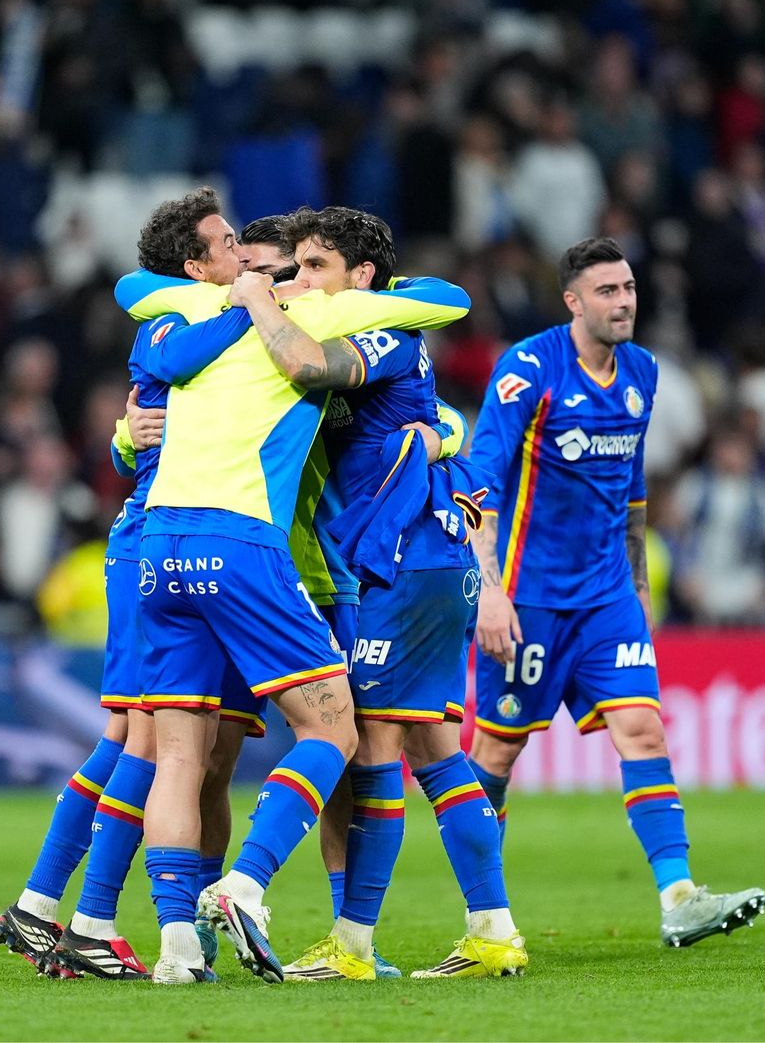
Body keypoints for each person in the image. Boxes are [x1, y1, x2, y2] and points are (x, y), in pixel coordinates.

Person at [125, 224, 470, 984]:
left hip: (158, 547)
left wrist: (231, 294)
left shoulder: (186, 317)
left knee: (178, 755)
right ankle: (246, 883)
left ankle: (176, 946)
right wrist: (275, 298)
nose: (304, 279)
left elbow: (133, 289)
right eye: (297, 269)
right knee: (336, 727)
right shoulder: (317, 314)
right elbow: (447, 302)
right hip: (242, 544)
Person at [467, 236, 765, 948]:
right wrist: (486, 591)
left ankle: (679, 896)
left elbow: (631, 483)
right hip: (527, 599)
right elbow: (476, 487)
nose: (624, 301)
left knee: (644, 729)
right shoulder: (527, 372)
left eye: (628, 288)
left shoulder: (644, 372)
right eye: (607, 291)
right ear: (572, 302)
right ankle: (483, 913)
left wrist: (634, 584)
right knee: (496, 758)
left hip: (606, 598)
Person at [253, 207, 526, 981]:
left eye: (314, 266)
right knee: (436, 748)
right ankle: (493, 928)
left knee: (372, 747)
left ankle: (353, 943)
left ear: (362, 278)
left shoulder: (380, 333)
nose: (298, 281)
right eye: (295, 266)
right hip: (426, 559)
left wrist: (259, 301)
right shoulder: (374, 333)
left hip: (409, 562)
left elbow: (315, 370)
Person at [0, 187, 250, 980]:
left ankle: (43, 905)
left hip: (155, 541)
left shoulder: (194, 315)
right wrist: (123, 437)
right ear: (195, 263)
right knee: (151, 738)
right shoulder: (180, 318)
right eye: (228, 242)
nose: (241, 254)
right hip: (158, 543)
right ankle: (93, 917)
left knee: (126, 736)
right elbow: (162, 366)